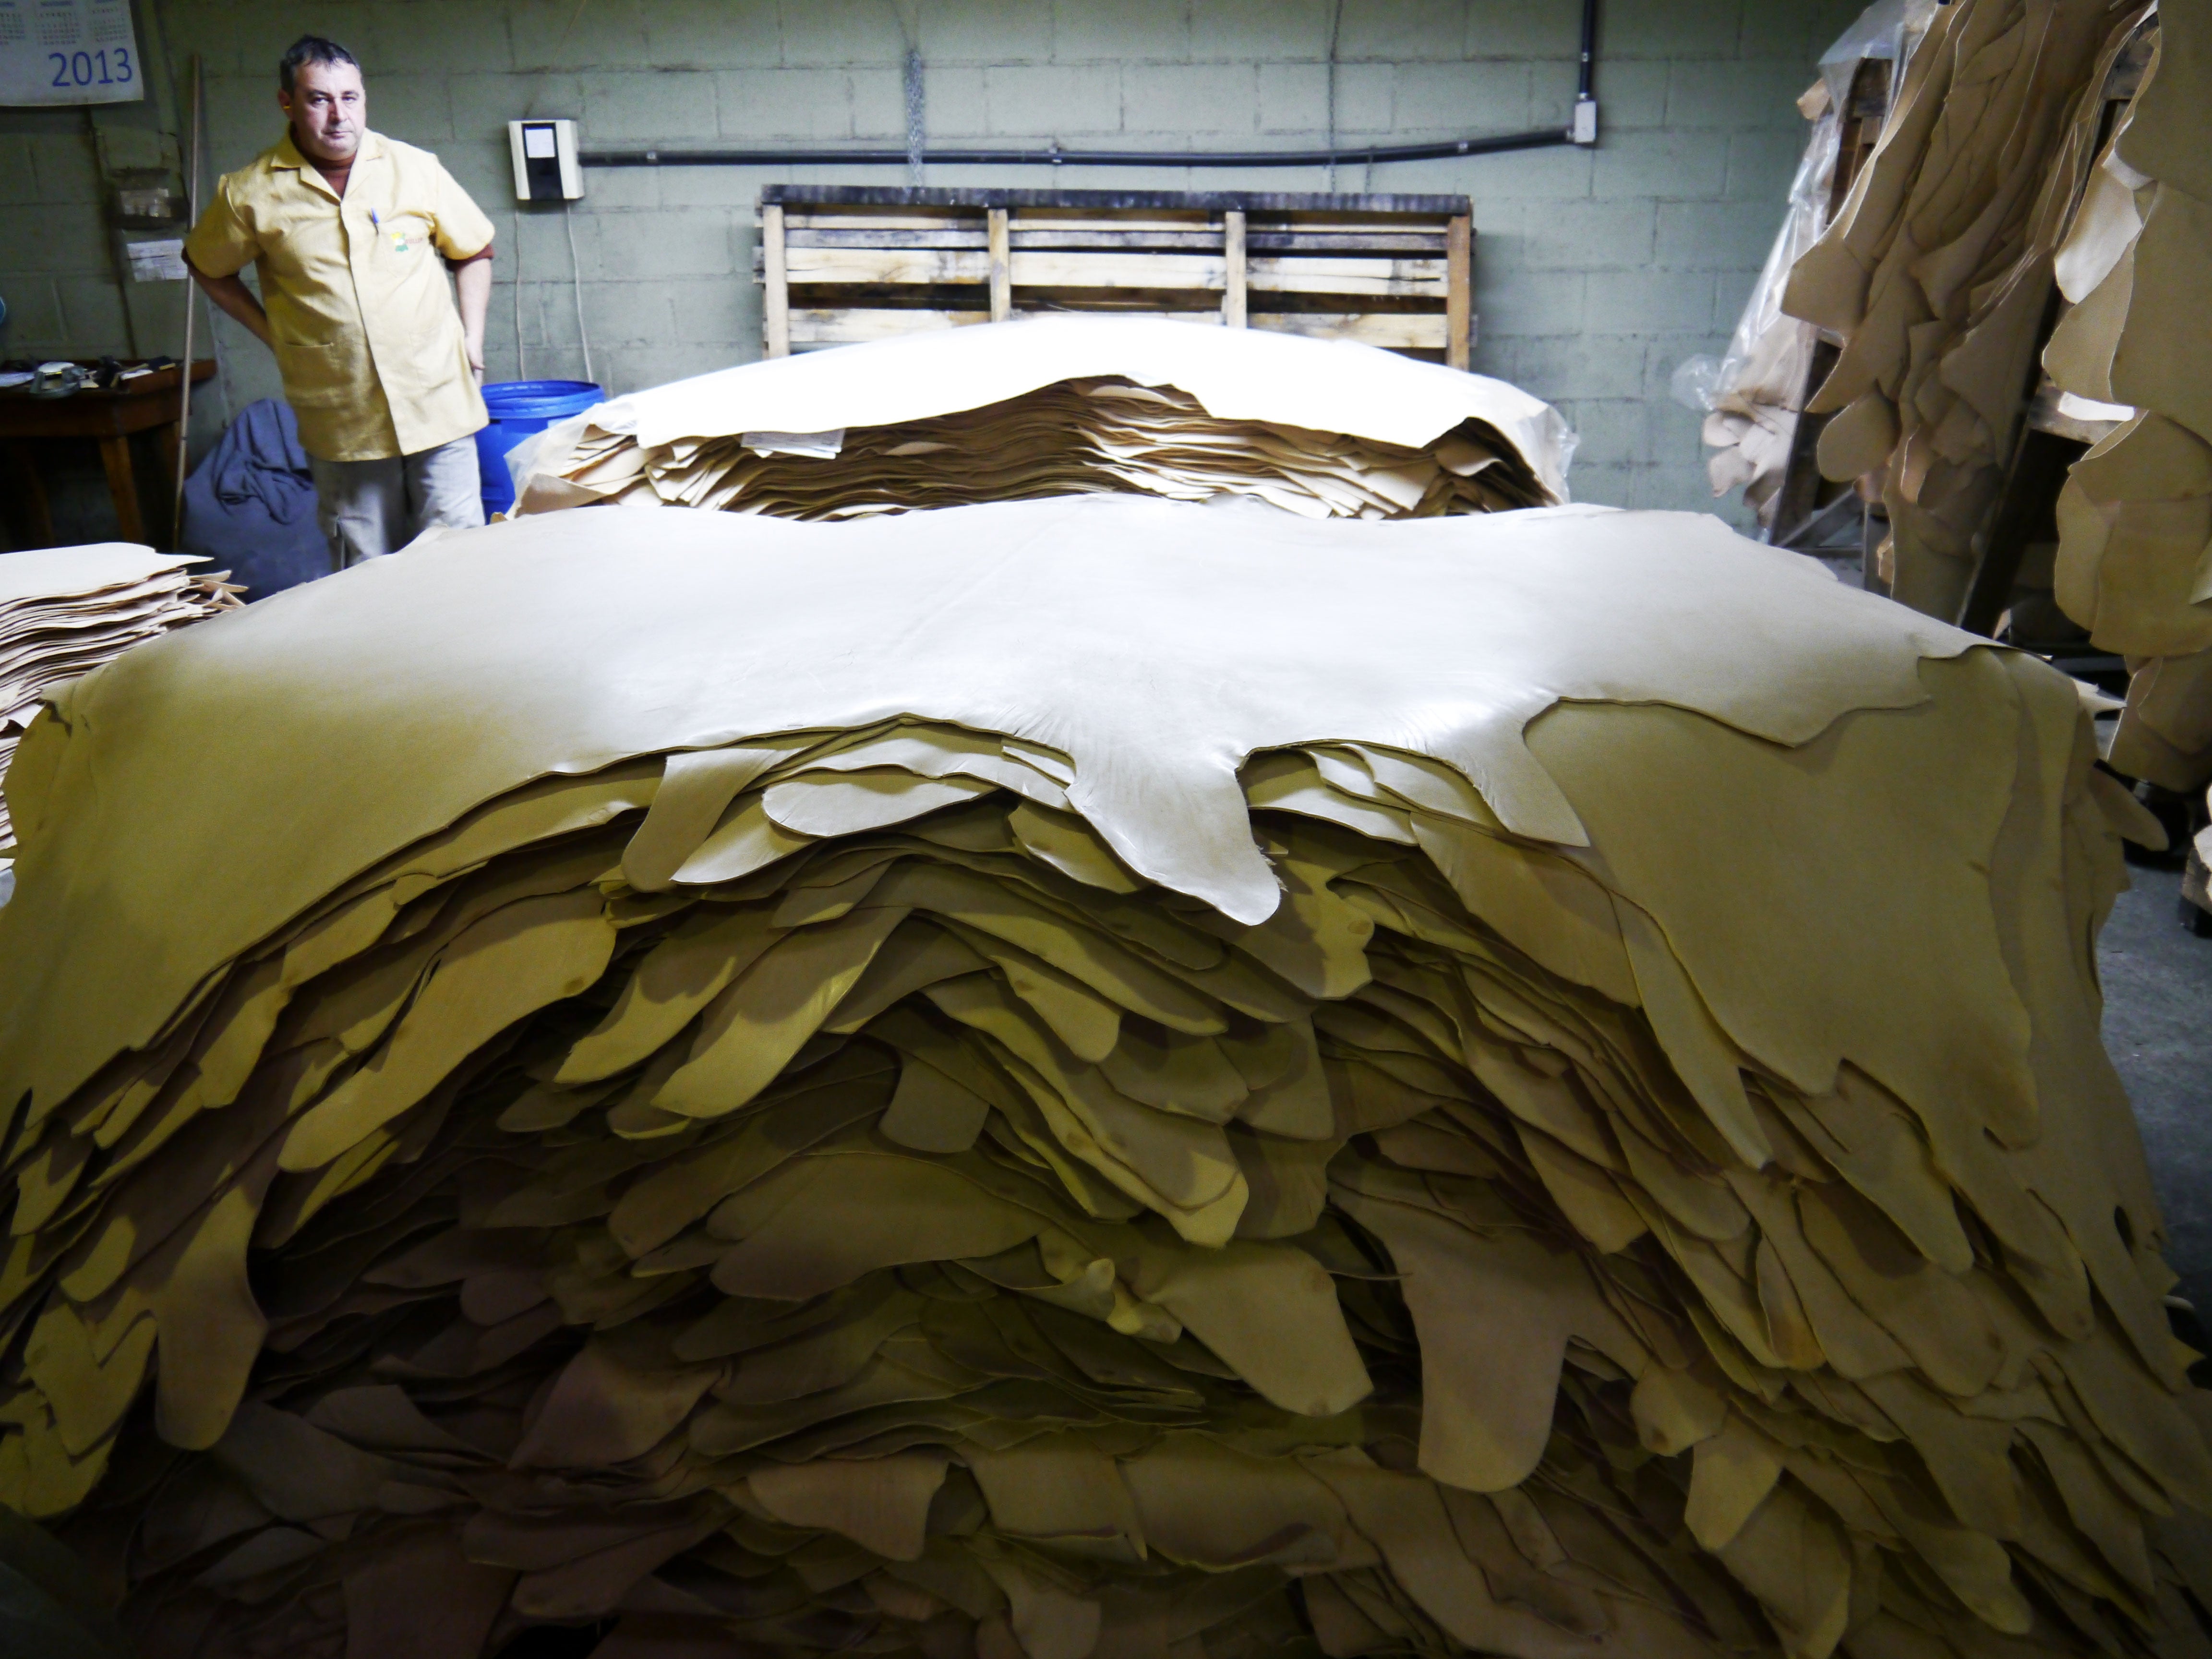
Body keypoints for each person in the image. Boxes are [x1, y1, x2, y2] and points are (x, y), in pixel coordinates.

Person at [183, 35, 495, 568]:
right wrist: (272, 334)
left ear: (364, 98)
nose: (338, 116)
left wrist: (473, 337)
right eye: (319, 99)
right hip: (342, 414)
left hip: (437, 395)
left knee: (460, 555)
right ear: (287, 103)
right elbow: (207, 266)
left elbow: (474, 251)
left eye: (349, 98)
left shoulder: (414, 169)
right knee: (364, 564)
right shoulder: (250, 193)